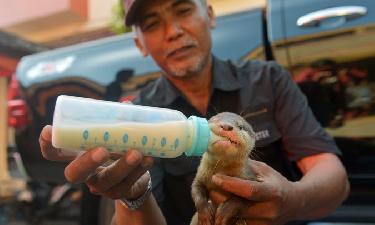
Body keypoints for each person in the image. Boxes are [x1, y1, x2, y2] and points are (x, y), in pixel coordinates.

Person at [39, 0, 350, 225]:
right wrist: (133, 195)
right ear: (140, 44)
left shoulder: (267, 79)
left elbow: (333, 177)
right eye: (152, 23)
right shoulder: (138, 115)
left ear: (210, 14)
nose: (173, 31)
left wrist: (294, 200)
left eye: (183, 9)